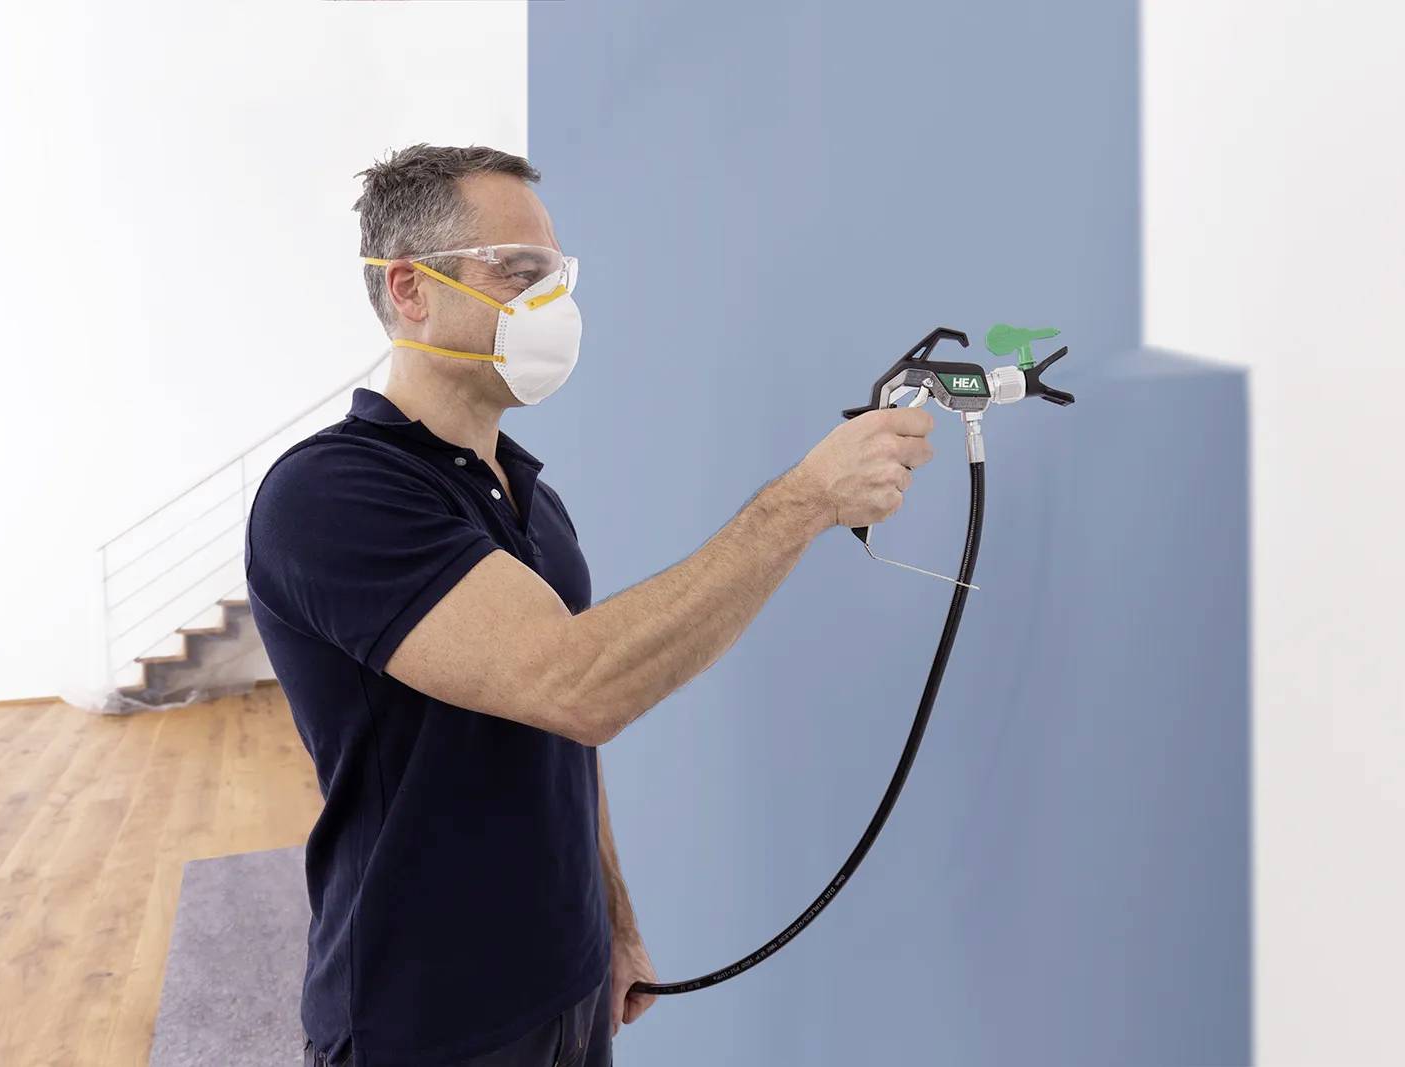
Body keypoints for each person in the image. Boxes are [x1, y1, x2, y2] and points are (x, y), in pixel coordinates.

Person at [245, 143, 935, 1067]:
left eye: (556, 276)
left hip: (566, 981)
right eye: (517, 271)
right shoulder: (333, 494)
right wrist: (804, 500)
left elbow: (564, 734)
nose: (550, 304)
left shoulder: (531, 496)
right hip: (426, 1014)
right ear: (410, 289)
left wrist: (613, 918)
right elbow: (578, 685)